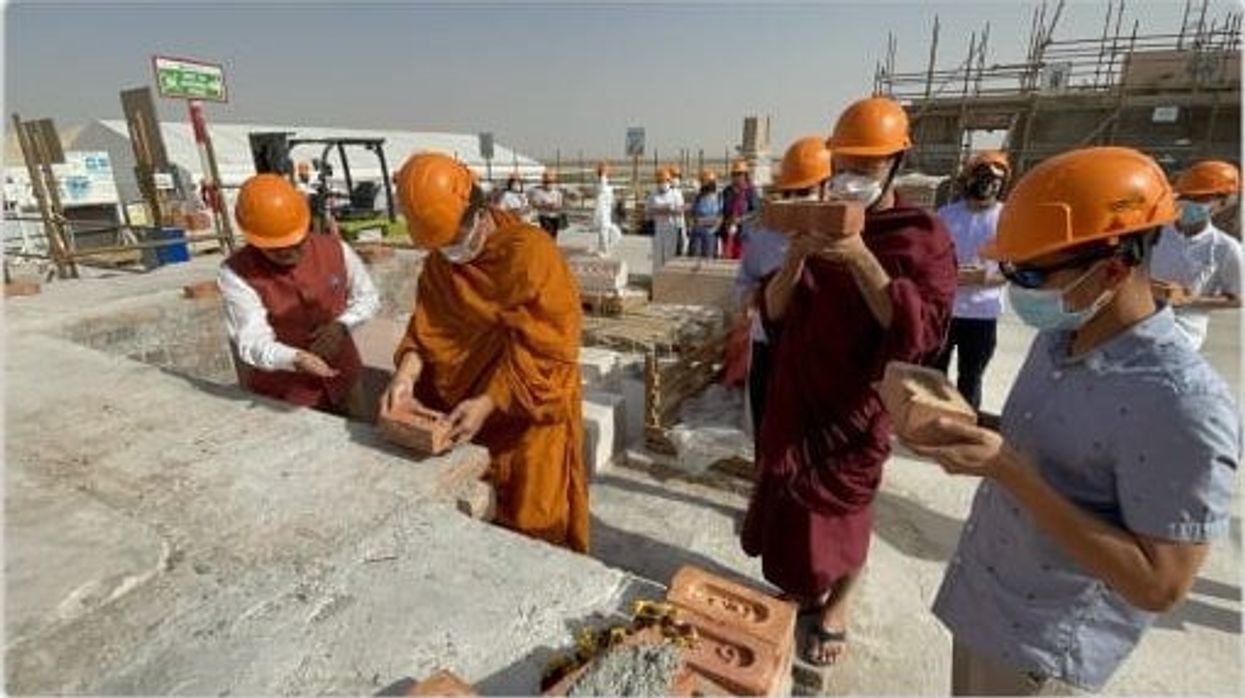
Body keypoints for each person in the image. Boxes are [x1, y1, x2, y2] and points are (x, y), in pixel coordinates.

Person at [908, 147, 1240, 695]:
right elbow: (1044, 450)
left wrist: (1007, 470)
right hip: (985, 607)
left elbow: (1160, 584)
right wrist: (961, 420)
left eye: (1032, 273)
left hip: (1041, 652)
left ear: (1112, 267)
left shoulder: (1182, 404)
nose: (1019, 288)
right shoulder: (1059, 337)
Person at [741, 97, 957, 667]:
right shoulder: (821, 213)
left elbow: (920, 334)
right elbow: (774, 312)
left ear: (897, 163)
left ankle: (839, 604)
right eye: (846, 163)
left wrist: (859, 256)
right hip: (798, 389)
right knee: (789, 504)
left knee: (846, 512)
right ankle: (800, 588)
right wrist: (798, 257)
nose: (853, 177)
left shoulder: (920, 234)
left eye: (868, 165)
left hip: (856, 402)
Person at [383, 152, 589, 553]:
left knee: (535, 527)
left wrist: (490, 400)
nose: (450, 253)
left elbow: (552, 352)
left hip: (529, 417)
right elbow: (428, 330)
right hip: (465, 417)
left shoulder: (530, 255)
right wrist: (405, 375)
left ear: (478, 214)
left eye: (454, 242)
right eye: (440, 246)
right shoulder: (441, 266)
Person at [218, 174, 379, 417]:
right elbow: (251, 340)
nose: (288, 253)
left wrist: (343, 326)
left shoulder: (336, 250)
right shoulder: (236, 273)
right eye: (276, 249)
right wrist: (294, 358)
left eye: (296, 243)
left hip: (344, 375)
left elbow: (368, 297)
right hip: (286, 392)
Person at [734, 136, 832, 435]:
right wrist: (750, 299)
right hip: (769, 347)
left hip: (817, 352)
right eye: (791, 192)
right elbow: (744, 281)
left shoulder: (841, 240)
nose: (797, 199)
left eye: (806, 191)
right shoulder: (763, 237)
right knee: (767, 430)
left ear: (827, 189)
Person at [931, 150, 1010, 411]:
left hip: (981, 316)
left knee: (970, 380)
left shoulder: (1008, 218)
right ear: (969, 178)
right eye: (983, 176)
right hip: (944, 313)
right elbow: (930, 258)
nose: (989, 183)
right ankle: (929, 427)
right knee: (932, 377)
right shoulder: (946, 216)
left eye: (997, 179)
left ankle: (963, 432)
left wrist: (983, 276)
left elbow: (1017, 267)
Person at [1149, 160, 1242, 350]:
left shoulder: (1226, 248)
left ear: (1223, 202)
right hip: (1140, 322)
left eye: (1200, 199)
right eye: (1185, 196)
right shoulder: (1154, 233)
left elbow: (1238, 298)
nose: (1189, 203)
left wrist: (1189, 299)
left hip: (1182, 334)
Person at [719, 159, 760, 259]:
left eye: (739, 174)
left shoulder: (750, 191)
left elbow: (755, 212)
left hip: (744, 234)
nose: (736, 177)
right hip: (728, 233)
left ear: (745, 175)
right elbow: (723, 210)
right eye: (734, 174)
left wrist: (741, 219)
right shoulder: (727, 191)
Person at [647, 167, 683, 271]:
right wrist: (661, 210)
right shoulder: (653, 195)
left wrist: (670, 210)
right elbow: (648, 212)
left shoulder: (675, 194)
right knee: (658, 256)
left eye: (664, 181)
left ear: (669, 181)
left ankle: (668, 280)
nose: (662, 184)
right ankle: (657, 279)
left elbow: (680, 211)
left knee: (669, 256)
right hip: (658, 229)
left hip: (671, 229)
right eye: (659, 181)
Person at [688, 170, 722, 258]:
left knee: (708, 262)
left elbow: (720, 219)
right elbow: (692, 216)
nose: (703, 185)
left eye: (705, 182)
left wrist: (703, 221)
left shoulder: (719, 198)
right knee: (694, 259)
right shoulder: (698, 197)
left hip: (711, 235)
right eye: (702, 182)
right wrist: (693, 222)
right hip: (697, 236)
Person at [593, 162, 622, 256]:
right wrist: (603, 172)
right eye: (606, 171)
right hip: (602, 215)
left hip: (607, 214)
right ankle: (604, 250)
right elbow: (602, 182)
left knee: (616, 234)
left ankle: (604, 249)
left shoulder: (607, 186)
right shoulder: (601, 184)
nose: (608, 172)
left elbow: (611, 201)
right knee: (604, 234)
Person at [529, 169, 566, 239]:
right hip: (544, 217)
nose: (549, 184)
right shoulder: (538, 192)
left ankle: (552, 247)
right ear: (543, 182)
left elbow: (560, 205)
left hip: (555, 216)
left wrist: (556, 207)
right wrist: (545, 205)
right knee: (547, 235)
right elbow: (534, 204)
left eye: (551, 182)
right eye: (547, 182)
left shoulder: (557, 193)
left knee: (553, 235)